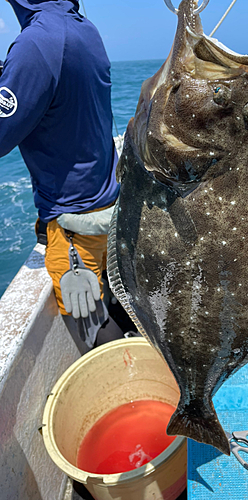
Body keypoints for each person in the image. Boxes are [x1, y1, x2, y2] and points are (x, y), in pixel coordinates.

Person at [0, 0, 126, 352]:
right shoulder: (84, 29)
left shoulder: (36, 43)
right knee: (110, 304)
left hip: (73, 225)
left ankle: (136, 393)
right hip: (106, 202)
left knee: (89, 323)